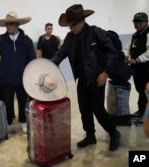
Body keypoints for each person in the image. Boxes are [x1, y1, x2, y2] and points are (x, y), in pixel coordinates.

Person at [51, 4, 121, 151]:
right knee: (84, 110)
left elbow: (112, 52)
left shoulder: (95, 33)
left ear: (83, 20)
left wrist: (105, 72)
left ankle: (114, 132)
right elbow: (60, 54)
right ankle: (90, 135)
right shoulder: (70, 38)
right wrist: (48, 65)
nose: (72, 28)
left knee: (98, 111)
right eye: (70, 26)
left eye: (75, 24)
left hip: (97, 79)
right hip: (81, 80)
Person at [0, 11, 36, 133]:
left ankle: (23, 121)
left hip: (22, 79)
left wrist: (32, 75)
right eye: (7, 24)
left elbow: (32, 59)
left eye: (12, 24)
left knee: (22, 101)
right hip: (6, 79)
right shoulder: (1, 40)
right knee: (7, 102)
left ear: (17, 25)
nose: (9, 26)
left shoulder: (26, 41)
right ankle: (8, 122)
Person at [123, 12, 149, 126]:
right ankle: (141, 110)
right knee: (141, 91)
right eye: (135, 22)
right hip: (137, 69)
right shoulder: (135, 35)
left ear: (146, 22)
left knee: (147, 92)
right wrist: (126, 57)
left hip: (146, 68)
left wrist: (137, 60)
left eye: (140, 22)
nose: (137, 24)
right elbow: (128, 48)